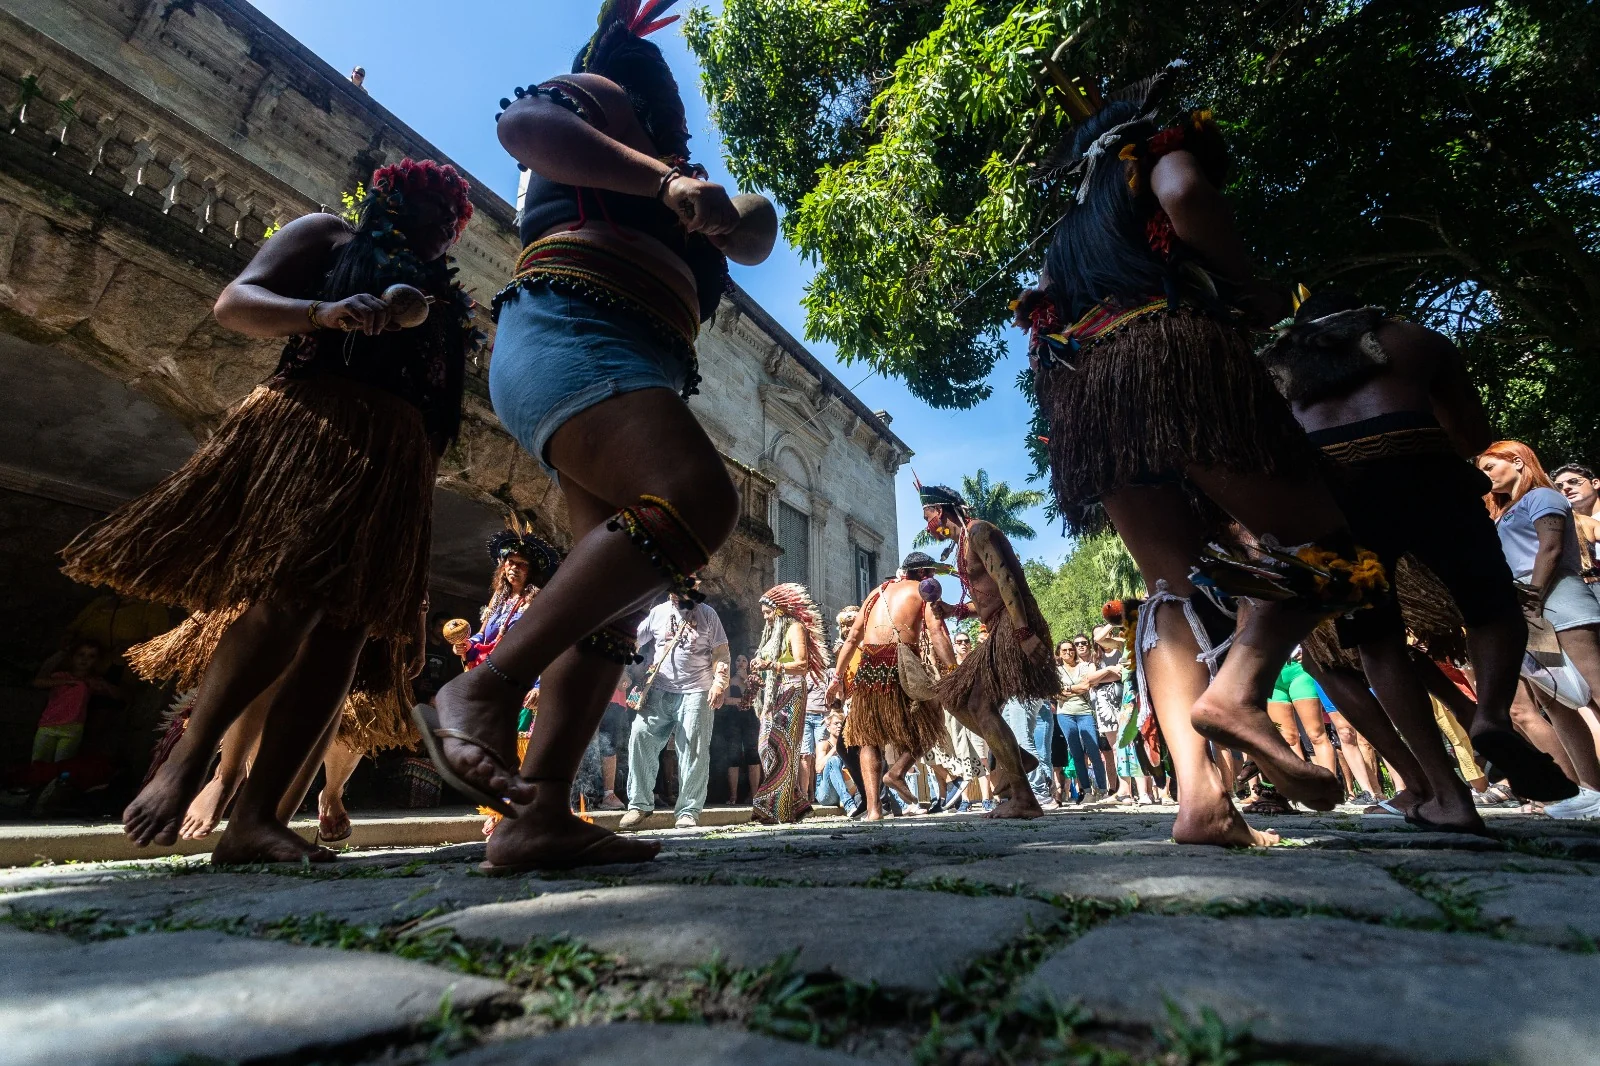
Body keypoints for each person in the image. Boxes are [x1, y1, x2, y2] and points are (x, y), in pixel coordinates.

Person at [417, 0, 778, 872]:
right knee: (698, 500)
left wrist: (718, 204)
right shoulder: (589, 96)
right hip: (570, 331)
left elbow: (760, 234)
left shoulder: (680, 174)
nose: (674, 106)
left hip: (626, 354)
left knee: (619, 604)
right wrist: (660, 183)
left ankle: (534, 813)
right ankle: (485, 686)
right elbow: (521, 124)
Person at [63, 159, 479, 863]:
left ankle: (257, 819)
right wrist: (327, 312)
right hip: (318, 424)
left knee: (344, 634)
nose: (444, 229)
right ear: (389, 200)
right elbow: (236, 302)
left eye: (453, 224)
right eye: (431, 210)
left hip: (398, 465)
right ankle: (187, 763)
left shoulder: (444, 298)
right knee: (289, 599)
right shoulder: (330, 237)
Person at [1016, 70, 1385, 845]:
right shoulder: (1152, 154)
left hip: (1086, 397)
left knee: (1168, 591)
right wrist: (1251, 287)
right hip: (1170, 359)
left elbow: (1041, 311)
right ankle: (1240, 691)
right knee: (1339, 551)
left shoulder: (1067, 232)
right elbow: (1184, 193)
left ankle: (1200, 800)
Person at [1260, 292, 1571, 829]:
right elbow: (1473, 436)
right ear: (1370, 314)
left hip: (1339, 498)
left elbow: (1268, 455)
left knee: (1376, 637)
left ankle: (1447, 795)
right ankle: (1492, 714)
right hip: (1425, 470)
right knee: (1490, 604)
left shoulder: (1271, 366)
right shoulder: (1415, 338)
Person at [921, 483, 1057, 818]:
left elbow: (1008, 581)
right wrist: (955, 610)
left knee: (979, 705)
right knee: (953, 697)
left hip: (1014, 625)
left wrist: (1024, 633)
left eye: (928, 518)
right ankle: (1019, 759)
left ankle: (1024, 798)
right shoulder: (965, 541)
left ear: (940, 512)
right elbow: (989, 595)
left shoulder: (979, 531)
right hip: (1001, 627)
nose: (928, 528)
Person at [1481, 441, 1600, 818]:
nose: (1484, 476)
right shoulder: (1502, 513)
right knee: (1555, 701)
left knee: (1595, 687)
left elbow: (1549, 548)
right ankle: (1590, 792)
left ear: (1516, 461)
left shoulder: (1543, 497)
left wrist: (1532, 594)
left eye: (1489, 467)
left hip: (1559, 599)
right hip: (1525, 607)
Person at [830, 552, 952, 820]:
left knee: (868, 737)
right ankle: (896, 773)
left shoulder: (876, 593)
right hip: (900, 661)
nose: (931, 578)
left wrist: (836, 678)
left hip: (870, 666)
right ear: (923, 574)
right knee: (932, 720)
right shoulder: (924, 590)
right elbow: (936, 632)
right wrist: (952, 669)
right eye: (930, 573)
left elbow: (851, 638)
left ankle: (874, 810)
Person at [621, 592, 730, 829]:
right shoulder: (658, 612)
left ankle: (688, 811)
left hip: (696, 691)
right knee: (640, 736)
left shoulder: (708, 614)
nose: (676, 594)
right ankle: (639, 805)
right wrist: (624, 670)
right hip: (658, 689)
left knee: (693, 749)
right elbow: (634, 641)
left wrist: (719, 683)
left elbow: (721, 652)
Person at [750, 583, 827, 823]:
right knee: (765, 746)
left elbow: (802, 665)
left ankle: (774, 808)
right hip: (773, 695)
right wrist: (758, 675)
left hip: (792, 691)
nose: (765, 617)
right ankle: (794, 803)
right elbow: (768, 665)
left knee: (782, 748)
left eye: (767, 612)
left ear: (780, 609)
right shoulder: (771, 634)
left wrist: (772, 665)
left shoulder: (795, 628)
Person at [31, 640, 114, 763]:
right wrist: (68, 682)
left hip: (72, 727)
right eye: (81, 654)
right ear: (72, 657)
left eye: (91, 656)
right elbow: (37, 682)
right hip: (48, 724)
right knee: (39, 763)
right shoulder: (61, 676)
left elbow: (118, 694)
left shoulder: (92, 681)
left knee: (62, 766)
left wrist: (103, 685)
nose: (84, 659)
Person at [1055, 639, 1105, 802]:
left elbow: (1087, 685)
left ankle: (1103, 790)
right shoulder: (1056, 671)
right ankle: (1087, 791)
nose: (1068, 652)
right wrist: (1074, 688)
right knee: (1076, 754)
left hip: (1084, 712)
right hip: (1065, 714)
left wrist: (1067, 690)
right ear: (1059, 653)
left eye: (1071, 649)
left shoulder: (1084, 666)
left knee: (1093, 750)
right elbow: (1056, 694)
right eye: (1064, 650)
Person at [1553, 464, 1600, 578]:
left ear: (1595, 483)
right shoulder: (1562, 527)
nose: (1565, 488)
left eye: (1573, 481)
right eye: (1559, 486)